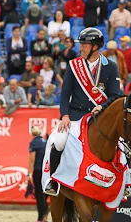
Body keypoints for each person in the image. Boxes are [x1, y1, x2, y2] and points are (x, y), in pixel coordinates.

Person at [43, 28, 122, 195]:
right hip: (75, 115)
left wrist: (102, 106)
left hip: (99, 117)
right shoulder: (74, 65)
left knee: (121, 144)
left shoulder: (111, 67)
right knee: (58, 140)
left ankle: (124, 184)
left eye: (84, 44)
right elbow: (65, 94)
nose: (81, 48)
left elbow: (115, 95)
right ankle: (53, 180)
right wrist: (64, 116)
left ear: (95, 46)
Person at [27, 125, 49, 222]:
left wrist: (28, 174)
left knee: (40, 196)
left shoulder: (34, 143)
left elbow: (32, 159)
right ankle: (45, 218)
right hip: (48, 171)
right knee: (45, 195)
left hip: (38, 171)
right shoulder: (46, 141)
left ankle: (40, 220)